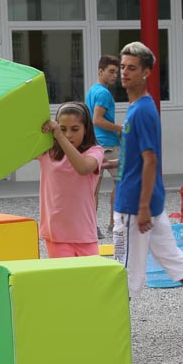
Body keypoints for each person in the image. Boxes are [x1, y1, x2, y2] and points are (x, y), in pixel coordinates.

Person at [113, 41, 183, 340]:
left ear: (146, 73)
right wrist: (110, 163)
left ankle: (112, 334)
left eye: (131, 68)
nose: (124, 72)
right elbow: (137, 156)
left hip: (134, 204)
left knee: (124, 268)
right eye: (122, 67)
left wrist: (141, 207)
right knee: (171, 256)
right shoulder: (139, 108)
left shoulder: (142, 111)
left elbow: (150, 160)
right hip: (148, 200)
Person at [37, 102, 106, 259]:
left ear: (86, 129)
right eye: (63, 129)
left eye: (75, 129)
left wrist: (60, 136)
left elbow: (83, 168)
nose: (68, 135)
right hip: (56, 234)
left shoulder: (95, 151)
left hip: (85, 234)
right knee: (65, 275)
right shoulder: (48, 152)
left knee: (90, 275)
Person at [86, 54, 122, 238]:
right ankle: (114, 224)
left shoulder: (92, 90)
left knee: (93, 188)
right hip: (108, 145)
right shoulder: (104, 93)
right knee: (122, 182)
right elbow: (97, 120)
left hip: (94, 144)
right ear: (100, 71)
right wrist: (121, 128)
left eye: (116, 72)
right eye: (111, 71)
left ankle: (92, 228)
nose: (115, 75)